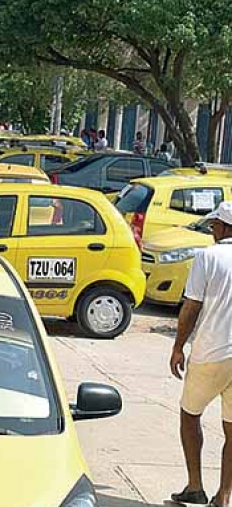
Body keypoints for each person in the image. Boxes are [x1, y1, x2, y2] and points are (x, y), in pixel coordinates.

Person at [170, 201, 232, 507]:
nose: (211, 231)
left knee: (189, 414)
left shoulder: (208, 256)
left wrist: (178, 346)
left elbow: (191, 307)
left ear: (222, 228)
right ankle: (224, 497)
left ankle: (195, 485)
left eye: (213, 226)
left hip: (211, 351)